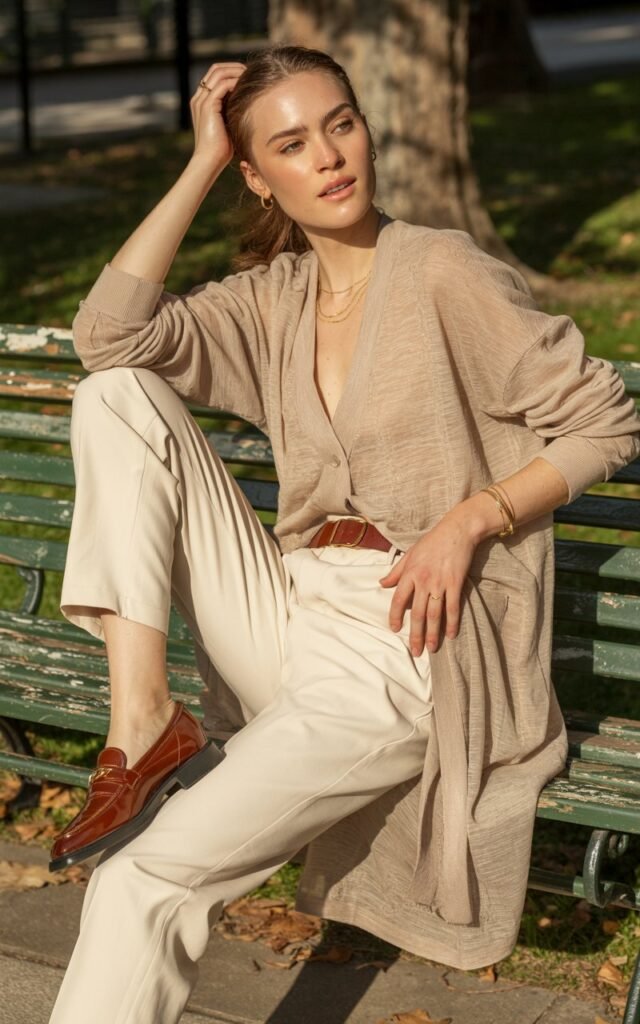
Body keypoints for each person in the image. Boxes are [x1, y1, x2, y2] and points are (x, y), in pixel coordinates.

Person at [47, 42, 640, 1023]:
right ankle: (143, 720)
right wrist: (199, 161)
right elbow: (108, 338)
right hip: (289, 612)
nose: (326, 156)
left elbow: (605, 422)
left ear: (366, 131)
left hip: (403, 641)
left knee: (140, 878)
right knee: (113, 396)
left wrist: (472, 518)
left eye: (341, 125)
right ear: (257, 177)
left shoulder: (442, 270)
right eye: (289, 144)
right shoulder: (274, 298)